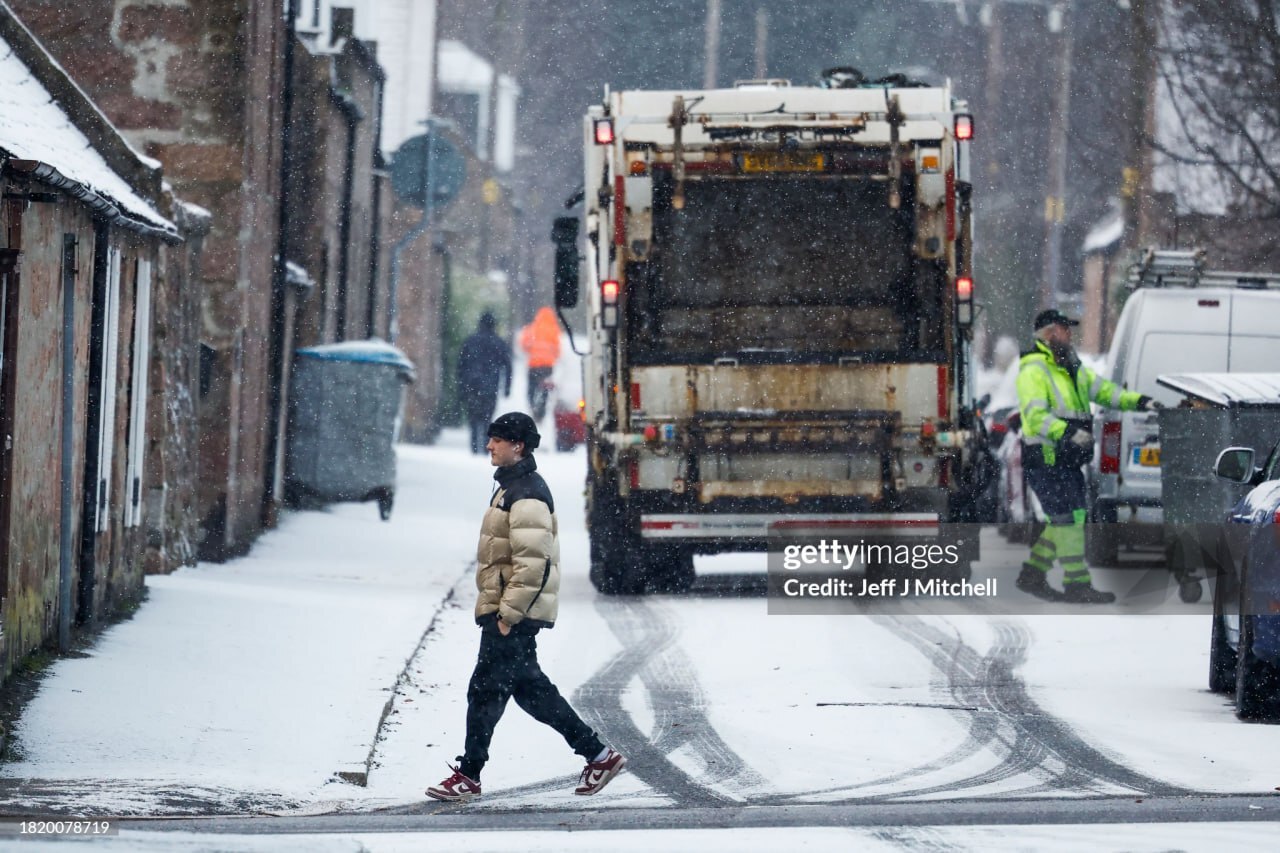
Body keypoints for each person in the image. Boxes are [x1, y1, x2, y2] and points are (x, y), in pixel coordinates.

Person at [426, 412, 626, 802]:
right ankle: (598, 755)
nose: (489, 446)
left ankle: (469, 774)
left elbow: (532, 563)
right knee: (531, 692)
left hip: (510, 616)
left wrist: (508, 615)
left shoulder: (527, 493)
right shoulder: (512, 487)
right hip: (507, 612)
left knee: (485, 692)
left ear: (517, 445)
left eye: (497, 440)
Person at [1015, 309, 1163, 604]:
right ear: (1050, 333)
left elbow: (1106, 392)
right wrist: (1068, 433)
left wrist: (1141, 401)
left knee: (1070, 518)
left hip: (1067, 459)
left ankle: (1033, 573)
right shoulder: (1034, 370)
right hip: (1046, 458)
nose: (1070, 335)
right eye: (1065, 329)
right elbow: (1035, 417)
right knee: (1067, 519)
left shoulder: (1072, 369)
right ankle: (1076, 584)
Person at [456, 312, 512, 454]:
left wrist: (461, 386)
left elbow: (461, 365)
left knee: (473, 416)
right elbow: (507, 365)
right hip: (490, 386)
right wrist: (507, 387)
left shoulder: (470, 341)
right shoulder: (498, 342)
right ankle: (485, 446)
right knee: (487, 417)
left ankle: (474, 447)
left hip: (472, 384)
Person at [519, 307, 561, 422]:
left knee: (532, 387)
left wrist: (533, 351)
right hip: (547, 367)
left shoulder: (532, 328)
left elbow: (523, 345)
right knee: (545, 388)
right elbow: (558, 351)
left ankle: (532, 404)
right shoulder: (554, 330)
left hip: (533, 365)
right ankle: (541, 411)